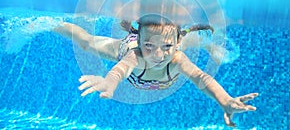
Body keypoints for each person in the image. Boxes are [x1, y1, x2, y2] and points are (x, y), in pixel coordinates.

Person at [54, 14, 258, 127]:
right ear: (140, 41)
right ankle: (53, 23)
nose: (158, 56)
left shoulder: (176, 56)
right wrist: (109, 82)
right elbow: (120, 71)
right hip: (125, 47)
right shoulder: (136, 55)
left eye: (167, 47)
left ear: (174, 45)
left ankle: (204, 43)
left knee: (184, 41)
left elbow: (200, 76)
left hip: (174, 41)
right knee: (87, 43)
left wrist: (225, 100)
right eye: (149, 46)